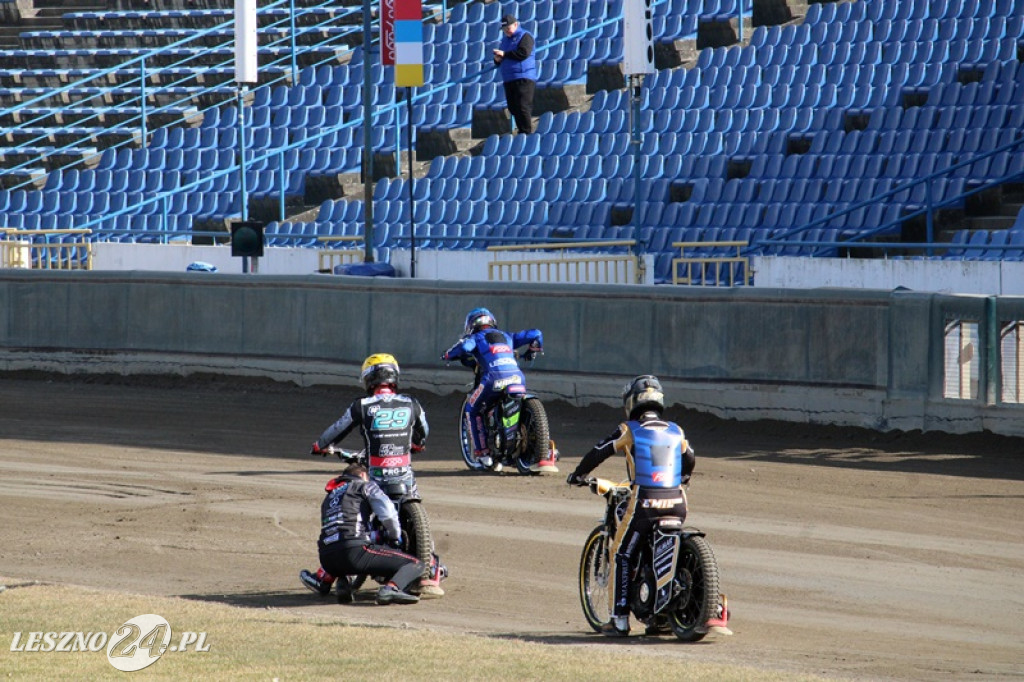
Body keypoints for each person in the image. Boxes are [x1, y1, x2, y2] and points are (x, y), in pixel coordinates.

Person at [300, 353, 440, 599]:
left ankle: (331, 571)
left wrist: (320, 445)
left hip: (376, 475)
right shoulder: (412, 403)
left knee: (357, 514)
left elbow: (337, 429)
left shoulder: (362, 406)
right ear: (394, 376)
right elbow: (423, 433)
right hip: (405, 477)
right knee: (419, 513)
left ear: (367, 379)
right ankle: (428, 570)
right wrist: (416, 444)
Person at [566, 375, 696, 637]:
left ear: (632, 403)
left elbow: (599, 450)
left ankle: (619, 621)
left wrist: (578, 474)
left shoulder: (629, 429)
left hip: (645, 501)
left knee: (622, 553)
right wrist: (682, 478)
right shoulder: (675, 429)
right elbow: (689, 458)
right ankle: (659, 618)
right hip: (678, 501)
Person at [303, 463, 424, 606]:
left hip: (326, 558)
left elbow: (341, 527)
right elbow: (388, 514)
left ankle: (339, 582)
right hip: (354, 551)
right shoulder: (364, 486)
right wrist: (394, 535)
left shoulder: (329, 497)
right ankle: (390, 589)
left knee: (346, 551)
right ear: (362, 475)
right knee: (416, 564)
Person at [441, 307, 543, 472]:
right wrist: (533, 350)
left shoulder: (476, 337)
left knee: (472, 409)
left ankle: (482, 454)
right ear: (492, 321)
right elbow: (536, 333)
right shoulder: (507, 336)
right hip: (518, 377)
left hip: (493, 378)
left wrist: (447, 355)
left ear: (471, 325)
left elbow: (465, 348)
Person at [493, 13, 537, 134]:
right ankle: (522, 132)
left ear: (516, 24)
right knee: (513, 108)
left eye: (508, 28)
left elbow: (523, 53)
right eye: (504, 30)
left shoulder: (525, 36)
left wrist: (505, 55)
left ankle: (526, 133)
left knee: (523, 106)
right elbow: (503, 57)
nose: (507, 31)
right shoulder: (505, 40)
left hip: (523, 77)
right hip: (509, 78)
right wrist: (497, 60)